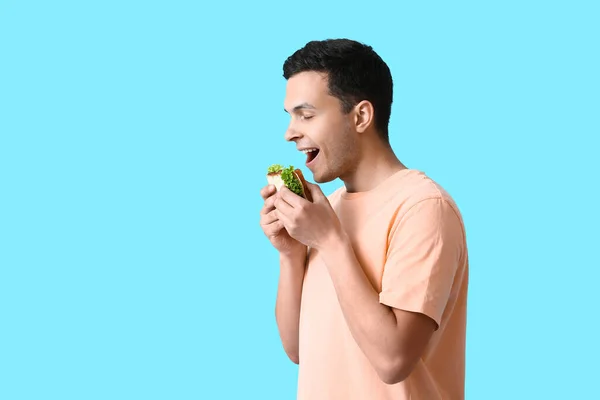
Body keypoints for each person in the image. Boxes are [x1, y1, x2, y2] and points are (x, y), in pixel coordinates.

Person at [259, 38, 469, 400]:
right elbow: (298, 350)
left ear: (361, 116)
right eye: (290, 116)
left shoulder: (423, 207)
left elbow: (392, 360)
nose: (290, 132)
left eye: (306, 115)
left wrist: (329, 240)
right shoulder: (329, 210)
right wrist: (291, 254)